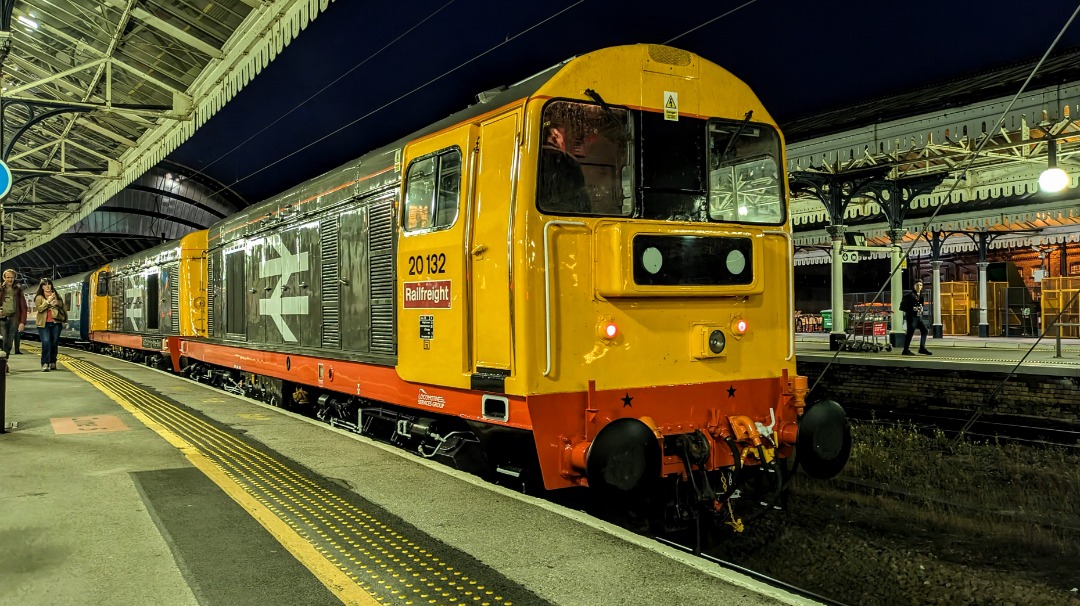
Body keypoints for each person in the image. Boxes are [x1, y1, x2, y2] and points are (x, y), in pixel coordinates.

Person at [537, 122, 590, 214]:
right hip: (565, 215)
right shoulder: (568, 160)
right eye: (563, 139)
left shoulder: (532, 157)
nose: (563, 143)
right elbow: (581, 195)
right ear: (554, 137)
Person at [35, 278, 67, 372]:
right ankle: (45, 363)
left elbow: (63, 306)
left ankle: (53, 361)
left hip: (56, 322)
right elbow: (40, 309)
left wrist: (57, 303)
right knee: (46, 342)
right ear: (42, 287)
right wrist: (48, 301)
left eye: (49, 284)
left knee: (54, 343)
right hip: (43, 324)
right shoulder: (39, 297)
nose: (48, 286)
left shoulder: (56, 295)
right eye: (45, 284)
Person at [0, 269, 28, 372]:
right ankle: (3, 365)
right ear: (4, 278)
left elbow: (24, 307)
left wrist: (22, 322)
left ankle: (5, 361)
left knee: (9, 343)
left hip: (13, 319)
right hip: (1, 319)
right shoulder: (1, 288)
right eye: (8, 277)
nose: (10, 279)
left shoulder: (18, 290)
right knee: (3, 340)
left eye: (12, 277)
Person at [900, 280, 932, 356]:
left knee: (924, 330)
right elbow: (902, 307)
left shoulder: (921, 295)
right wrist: (912, 309)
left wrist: (921, 309)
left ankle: (922, 348)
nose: (919, 287)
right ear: (914, 286)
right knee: (910, 333)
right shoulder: (909, 296)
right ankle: (905, 350)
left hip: (918, 317)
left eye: (920, 285)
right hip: (911, 317)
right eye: (917, 285)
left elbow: (921, 305)